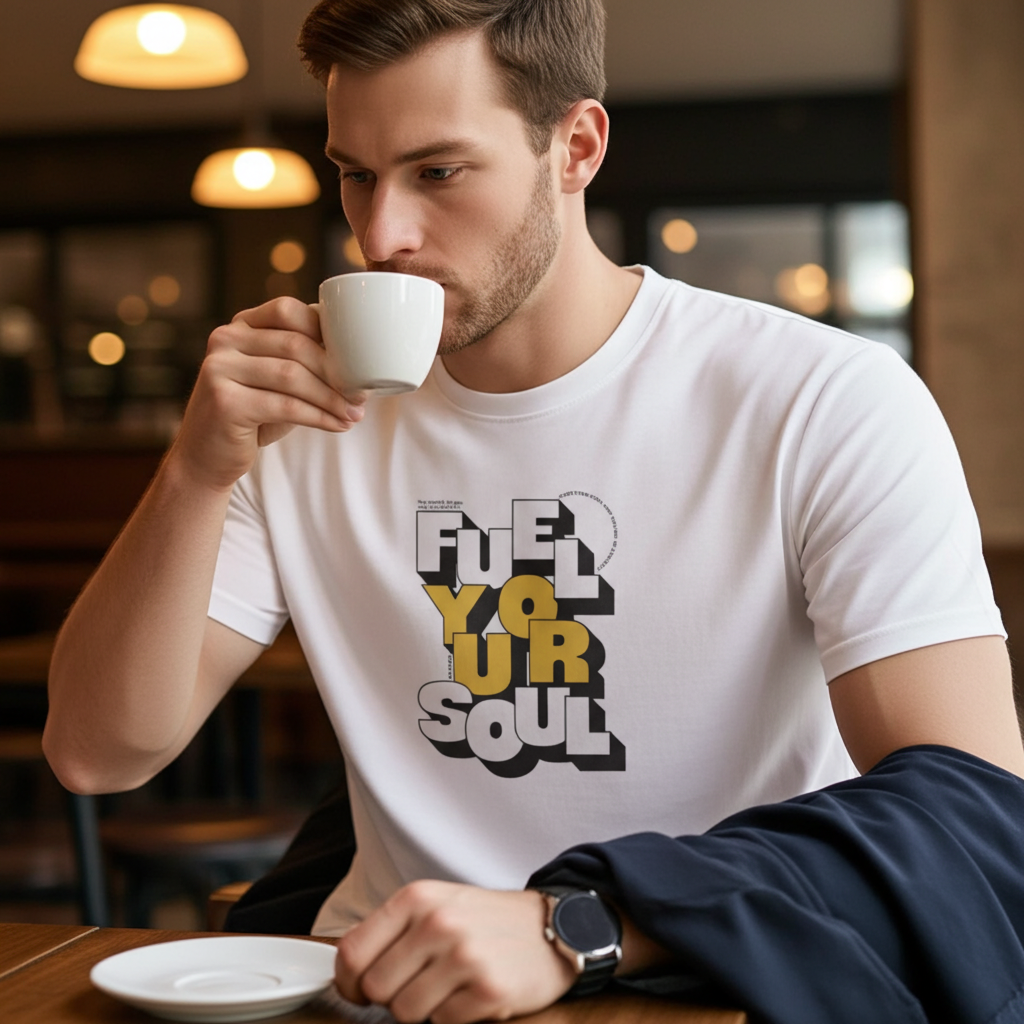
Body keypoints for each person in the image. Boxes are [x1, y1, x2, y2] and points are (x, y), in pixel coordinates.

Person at [44, 1, 1024, 1022]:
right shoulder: (300, 422)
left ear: (576, 147)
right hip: (377, 993)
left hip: (700, 988)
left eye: (437, 171)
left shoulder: (818, 400)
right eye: (355, 174)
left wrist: (583, 921)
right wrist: (195, 473)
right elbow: (99, 751)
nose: (382, 234)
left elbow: (968, 809)